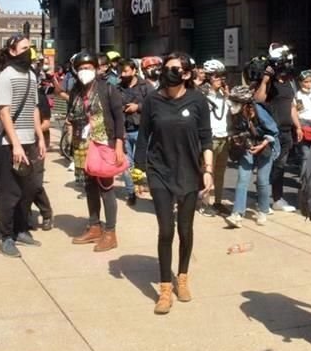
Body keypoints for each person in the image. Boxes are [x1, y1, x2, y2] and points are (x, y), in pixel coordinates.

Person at [134, 53, 213, 315]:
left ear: (188, 74)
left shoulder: (198, 100)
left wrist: (208, 170)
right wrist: (139, 172)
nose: (169, 73)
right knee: (166, 230)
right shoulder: (152, 100)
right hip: (160, 171)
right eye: (166, 68)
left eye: (175, 69)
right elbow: (144, 137)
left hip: (190, 171)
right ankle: (165, 288)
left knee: (186, 229)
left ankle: (183, 276)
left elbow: (205, 138)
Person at [65, 52, 126, 252]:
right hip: (82, 145)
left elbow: (119, 119)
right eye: (81, 68)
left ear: (96, 68)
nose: (85, 71)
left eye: (89, 67)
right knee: (89, 187)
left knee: (106, 189)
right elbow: (72, 116)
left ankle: (111, 232)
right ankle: (94, 226)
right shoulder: (75, 91)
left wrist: (118, 145)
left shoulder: (108, 89)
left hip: (103, 144)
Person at [0, 34, 46, 257]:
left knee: (28, 189)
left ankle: (21, 228)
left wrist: (40, 138)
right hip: (11, 143)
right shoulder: (5, 77)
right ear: (12, 51)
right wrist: (15, 144)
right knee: (10, 192)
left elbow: (34, 109)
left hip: (29, 141)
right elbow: (4, 112)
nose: (28, 51)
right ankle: (6, 236)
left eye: (29, 47)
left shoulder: (32, 76)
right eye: (24, 48)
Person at [225, 86, 279, 228]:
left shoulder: (259, 112)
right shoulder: (232, 114)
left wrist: (261, 145)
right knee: (242, 178)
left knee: (262, 180)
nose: (231, 105)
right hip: (247, 146)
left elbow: (273, 132)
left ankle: (263, 210)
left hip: (266, 145)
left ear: (244, 103)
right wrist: (236, 139)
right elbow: (231, 130)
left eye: (235, 102)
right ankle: (237, 213)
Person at [253, 59, 302, 213]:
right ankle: (262, 201)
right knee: (267, 166)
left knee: (280, 166)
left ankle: (277, 199)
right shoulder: (270, 82)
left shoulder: (290, 83)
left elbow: (292, 106)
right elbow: (257, 99)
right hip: (272, 131)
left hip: (287, 132)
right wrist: (265, 81)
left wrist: (298, 126)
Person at [117, 59, 152, 206]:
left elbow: (154, 104)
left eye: (126, 71)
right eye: (121, 72)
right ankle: (131, 192)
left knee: (145, 163)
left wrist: (137, 107)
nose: (123, 74)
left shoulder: (145, 86)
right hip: (125, 131)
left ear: (134, 71)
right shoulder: (117, 88)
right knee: (126, 165)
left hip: (142, 131)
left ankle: (154, 191)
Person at [202, 60, 231, 216]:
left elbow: (234, 110)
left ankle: (218, 201)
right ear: (208, 78)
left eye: (222, 76)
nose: (221, 80)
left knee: (220, 172)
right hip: (210, 138)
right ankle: (204, 203)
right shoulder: (202, 95)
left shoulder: (222, 94)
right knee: (208, 171)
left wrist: (229, 96)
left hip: (223, 137)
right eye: (217, 77)